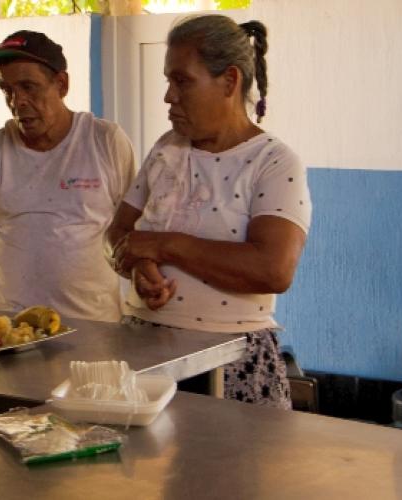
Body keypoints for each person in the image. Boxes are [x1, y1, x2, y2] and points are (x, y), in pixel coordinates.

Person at [106, 15, 312, 409]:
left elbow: (273, 269)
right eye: (168, 81)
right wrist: (136, 266)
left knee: (231, 471)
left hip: (232, 363)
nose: (169, 96)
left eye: (182, 81)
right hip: (144, 357)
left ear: (230, 81)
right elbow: (116, 234)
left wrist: (164, 246)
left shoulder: (273, 163)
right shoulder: (166, 149)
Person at [0, 30, 136, 321]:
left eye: (29, 87)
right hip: (9, 326)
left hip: (93, 326)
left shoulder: (105, 140)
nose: (18, 101)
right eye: (7, 90)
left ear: (62, 84)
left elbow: (133, 227)